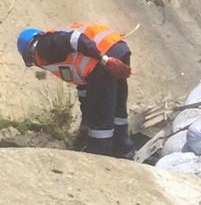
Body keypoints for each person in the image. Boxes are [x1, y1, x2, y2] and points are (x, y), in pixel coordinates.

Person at [16, 22, 134, 158]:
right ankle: (123, 148)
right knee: (117, 107)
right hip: (118, 48)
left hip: (103, 60)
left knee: (101, 113)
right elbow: (85, 90)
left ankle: (99, 152)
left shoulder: (44, 46)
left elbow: (76, 39)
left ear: (29, 52)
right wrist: (85, 124)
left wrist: (104, 59)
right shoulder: (64, 58)